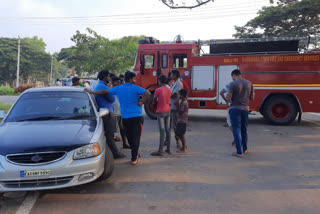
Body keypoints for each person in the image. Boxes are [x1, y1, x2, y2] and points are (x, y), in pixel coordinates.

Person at [85, 71, 151, 165]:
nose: (135, 80)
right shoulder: (136, 88)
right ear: (130, 79)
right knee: (136, 137)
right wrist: (142, 102)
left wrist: (92, 92)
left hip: (126, 118)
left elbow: (105, 92)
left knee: (130, 137)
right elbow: (148, 93)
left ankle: (134, 156)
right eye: (134, 78)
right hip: (137, 116)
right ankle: (134, 156)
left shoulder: (119, 88)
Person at [94, 70, 126, 159]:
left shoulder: (99, 85)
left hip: (105, 111)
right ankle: (115, 154)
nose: (109, 78)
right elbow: (112, 99)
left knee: (109, 134)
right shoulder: (102, 86)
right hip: (107, 112)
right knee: (110, 135)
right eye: (108, 76)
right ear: (104, 76)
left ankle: (112, 152)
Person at [226, 69, 255, 158]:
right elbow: (252, 98)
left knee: (236, 129)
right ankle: (245, 149)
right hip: (245, 109)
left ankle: (239, 152)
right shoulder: (249, 83)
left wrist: (228, 96)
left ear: (234, 75)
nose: (233, 79)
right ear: (240, 74)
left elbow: (228, 98)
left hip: (235, 109)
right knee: (244, 129)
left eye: (232, 77)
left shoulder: (233, 84)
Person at [151, 75, 172, 156]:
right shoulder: (169, 89)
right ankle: (168, 149)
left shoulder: (158, 90)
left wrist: (153, 104)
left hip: (160, 111)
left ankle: (160, 151)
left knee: (162, 131)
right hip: (168, 110)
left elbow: (154, 100)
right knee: (168, 130)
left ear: (160, 81)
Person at [111, 76, 130, 149]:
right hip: (114, 113)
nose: (118, 83)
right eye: (117, 82)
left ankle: (124, 144)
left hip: (122, 113)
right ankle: (113, 148)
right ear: (112, 83)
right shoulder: (110, 91)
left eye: (119, 82)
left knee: (123, 129)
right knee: (113, 131)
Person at [170, 69, 183, 149]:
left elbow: (174, 95)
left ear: (175, 75)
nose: (171, 76)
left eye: (172, 74)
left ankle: (178, 142)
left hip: (175, 107)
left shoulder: (178, 83)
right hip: (171, 106)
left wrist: (166, 96)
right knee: (170, 125)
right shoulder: (173, 83)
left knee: (175, 126)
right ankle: (167, 141)